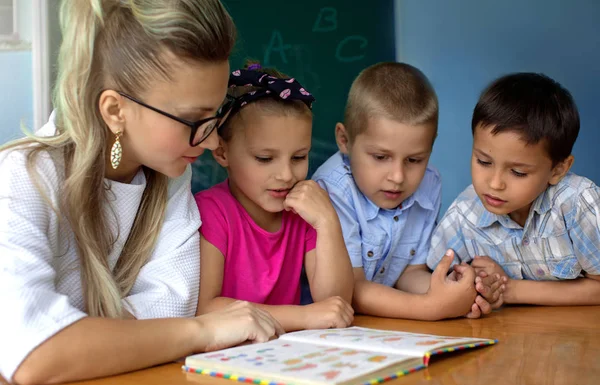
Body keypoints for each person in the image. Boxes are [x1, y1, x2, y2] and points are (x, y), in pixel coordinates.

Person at [0, 2, 283, 384]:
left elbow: (171, 308)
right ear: (116, 110)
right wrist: (204, 331)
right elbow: (35, 356)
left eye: (216, 116)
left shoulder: (171, 177)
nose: (212, 139)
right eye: (194, 120)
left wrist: (84, 338)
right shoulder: (23, 177)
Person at [313, 62, 503, 321]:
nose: (398, 177)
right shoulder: (332, 189)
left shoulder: (429, 181)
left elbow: (408, 273)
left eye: (414, 160)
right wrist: (431, 307)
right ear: (344, 140)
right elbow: (352, 290)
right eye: (380, 157)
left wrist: (459, 294)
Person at [195, 63, 355, 331]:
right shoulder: (211, 212)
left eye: (299, 157)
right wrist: (303, 317)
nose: (285, 174)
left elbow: (334, 305)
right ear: (222, 153)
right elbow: (207, 309)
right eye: (265, 158)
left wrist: (327, 222)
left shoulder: (303, 211)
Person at [427, 72, 600, 306]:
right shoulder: (464, 214)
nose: (495, 183)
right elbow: (431, 279)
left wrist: (510, 289)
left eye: (518, 172)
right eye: (483, 162)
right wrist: (473, 284)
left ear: (558, 170)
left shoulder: (576, 204)